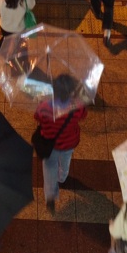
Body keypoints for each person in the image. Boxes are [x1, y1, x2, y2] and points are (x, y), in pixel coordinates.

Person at [34, 75, 87, 213]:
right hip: (68, 143)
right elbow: (83, 115)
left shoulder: (44, 107)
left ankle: (50, 195)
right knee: (65, 162)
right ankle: (62, 178)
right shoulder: (77, 107)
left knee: (49, 167)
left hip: (49, 144)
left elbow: (37, 117)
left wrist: (41, 101)